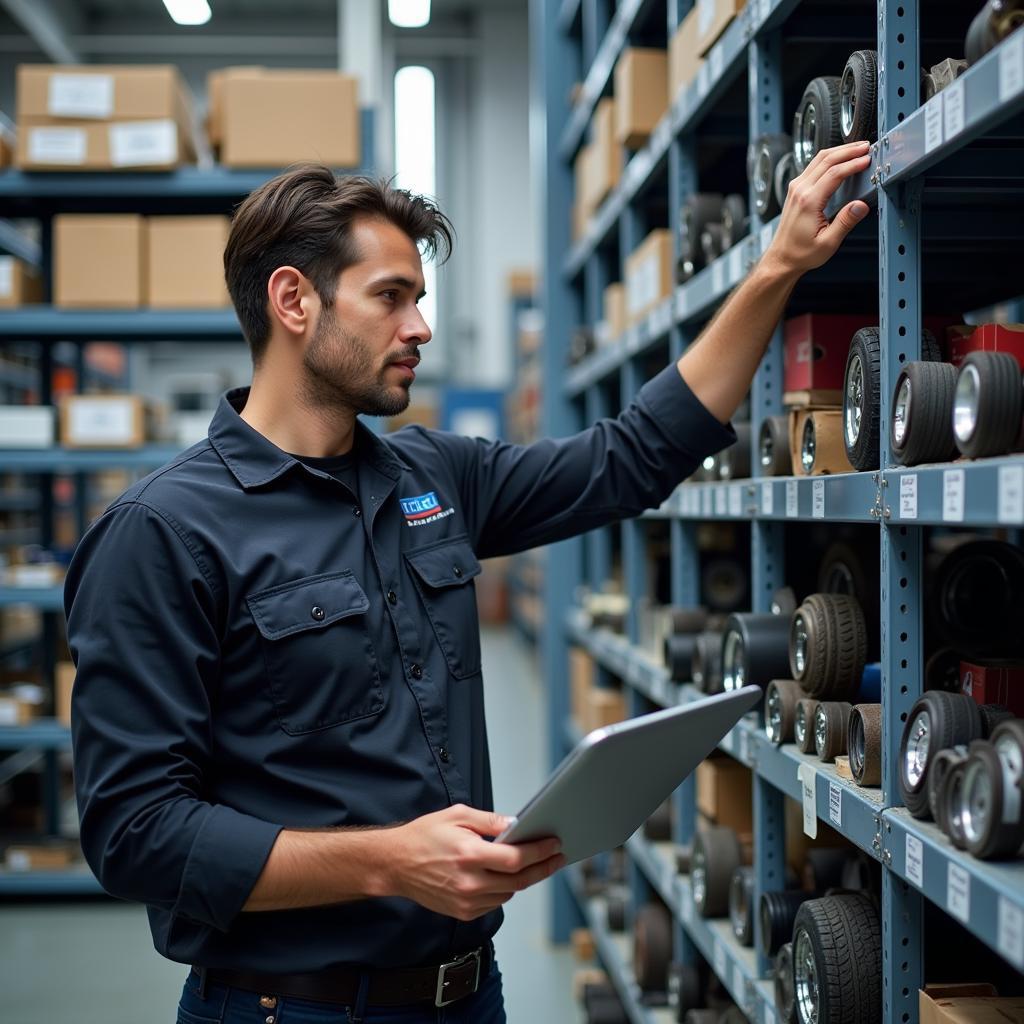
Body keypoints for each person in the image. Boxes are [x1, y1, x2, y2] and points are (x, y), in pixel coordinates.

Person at [65, 141, 872, 1024]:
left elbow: (635, 455)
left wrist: (779, 265)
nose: (420, 328)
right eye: (391, 298)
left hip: (466, 994)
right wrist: (389, 861)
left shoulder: (432, 476)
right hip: (288, 1007)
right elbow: (134, 833)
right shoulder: (163, 532)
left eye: (420, 299)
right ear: (293, 300)